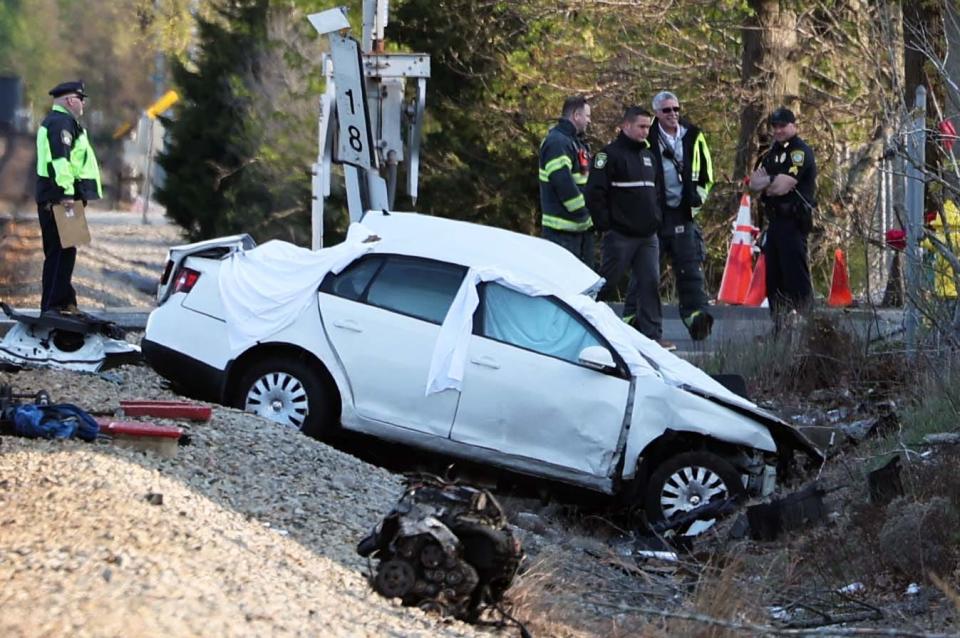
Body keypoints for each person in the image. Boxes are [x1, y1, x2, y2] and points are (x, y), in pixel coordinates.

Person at [586, 106, 672, 348]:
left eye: (648, 127)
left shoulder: (649, 157)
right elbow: (594, 193)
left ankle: (652, 336)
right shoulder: (608, 155)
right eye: (641, 126)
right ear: (626, 126)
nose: (646, 132)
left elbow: (656, 193)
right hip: (621, 235)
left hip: (647, 236)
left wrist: (657, 220)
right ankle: (586, 324)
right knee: (607, 282)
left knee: (650, 283)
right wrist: (606, 225)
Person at [649, 91, 715, 341]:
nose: (673, 114)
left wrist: (695, 203)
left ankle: (697, 318)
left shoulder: (694, 136)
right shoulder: (648, 137)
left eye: (676, 109)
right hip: (654, 216)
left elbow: (707, 175)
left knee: (690, 269)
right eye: (667, 110)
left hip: (683, 214)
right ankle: (640, 324)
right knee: (647, 273)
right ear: (657, 112)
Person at [35, 80, 102, 314]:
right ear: (71, 100)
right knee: (61, 253)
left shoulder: (61, 121)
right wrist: (66, 193)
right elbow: (60, 160)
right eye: (81, 99)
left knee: (65, 251)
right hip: (61, 199)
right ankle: (55, 306)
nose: (83, 104)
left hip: (61, 197)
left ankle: (65, 302)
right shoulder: (62, 123)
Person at [749, 107, 816, 327]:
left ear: (793, 125)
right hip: (775, 222)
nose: (778, 130)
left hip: (793, 221)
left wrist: (770, 181)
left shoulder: (800, 151)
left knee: (795, 275)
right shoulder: (773, 153)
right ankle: (779, 327)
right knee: (774, 279)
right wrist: (771, 181)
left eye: (782, 126)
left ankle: (809, 325)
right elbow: (754, 183)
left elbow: (783, 185)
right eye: (775, 126)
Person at [539, 95, 594, 267]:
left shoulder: (575, 143)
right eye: (587, 116)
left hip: (580, 231)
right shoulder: (557, 143)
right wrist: (586, 213)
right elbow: (563, 185)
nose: (589, 121)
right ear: (576, 116)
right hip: (561, 234)